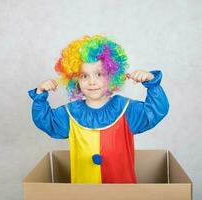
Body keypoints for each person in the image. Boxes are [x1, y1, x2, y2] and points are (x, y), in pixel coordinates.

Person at [28, 35, 169, 184]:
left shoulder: (126, 110)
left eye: (99, 74)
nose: (92, 82)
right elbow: (46, 121)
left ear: (112, 76)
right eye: (84, 76)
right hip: (84, 192)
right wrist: (40, 94)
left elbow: (156, 110)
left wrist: (151, 83)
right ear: (75, 80)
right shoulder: (70, 113)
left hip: (121, 193)